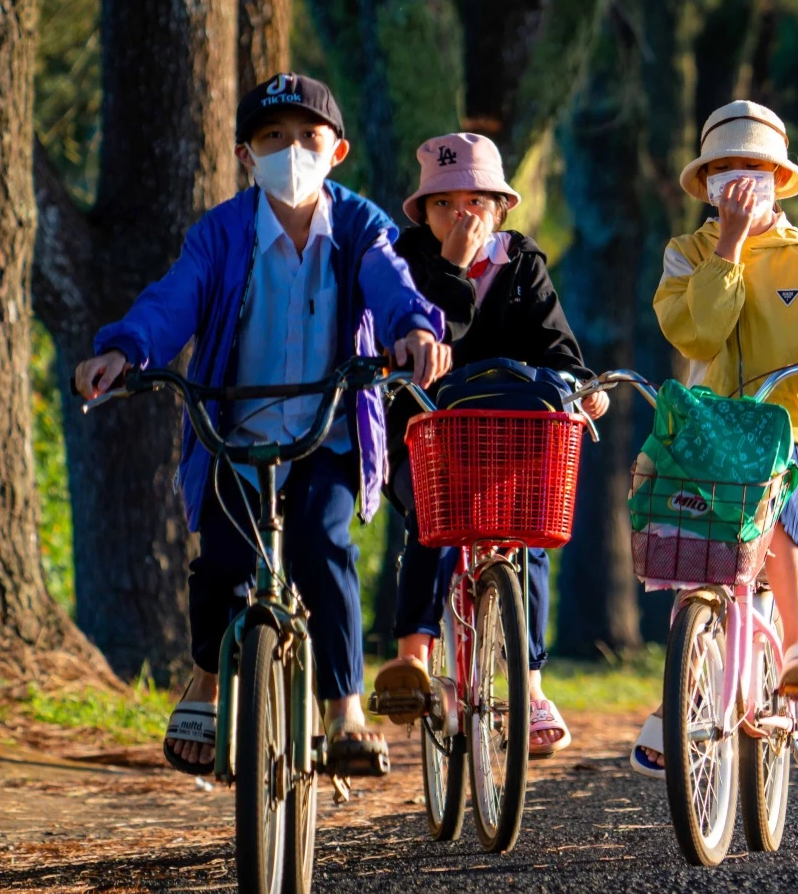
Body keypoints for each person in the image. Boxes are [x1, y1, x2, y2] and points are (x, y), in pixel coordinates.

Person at [73, 73, 451, 776]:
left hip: (327, 432)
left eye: (309, 138)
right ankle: (208, 681)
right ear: (246, 155)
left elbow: (393, 284)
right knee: (219, 557)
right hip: (235, 431)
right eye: (272, 139)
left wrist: (414, 332)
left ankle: (345, 710)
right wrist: (125, 349)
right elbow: (172, 301)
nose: (292, 152)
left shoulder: (360, 225)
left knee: (320, 542)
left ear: (337, 151)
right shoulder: (221, 231)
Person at [632, 100, 798, 778]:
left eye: (754, 167)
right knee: (686, 543)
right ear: (707, 181)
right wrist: (730, 250)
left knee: (777, 511)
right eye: (726, 168)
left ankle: (797, 645)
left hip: (782, 424)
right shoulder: (686, 255)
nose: (740, 181)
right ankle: (685, 690)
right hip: (708, 425)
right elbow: (698, 334)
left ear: (779, 176)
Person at [370, 133, 609, 758]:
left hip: (509, 443)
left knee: (528, 538)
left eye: (477, 199)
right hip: (428, 438)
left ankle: (529, 689)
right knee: (433, 523)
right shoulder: (404, 262)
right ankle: (414, 661)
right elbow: (412, 339)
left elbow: (557, 346)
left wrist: (582, 388)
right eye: (445, 202)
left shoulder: (521, 262)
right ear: (423, 211)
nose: (463, 214)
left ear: (501, 207)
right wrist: (450, 269)